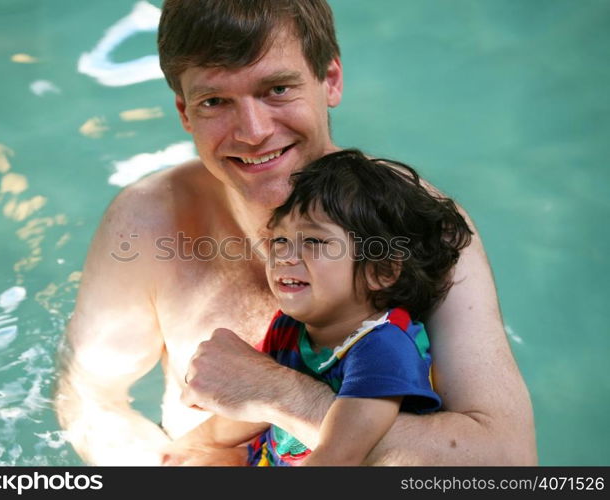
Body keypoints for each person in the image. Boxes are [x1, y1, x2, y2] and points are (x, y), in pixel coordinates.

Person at [55, 0, 537, 465]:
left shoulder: (415, 223)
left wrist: (276, 392)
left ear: (329, 79)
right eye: (215, 101)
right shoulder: (148, 224)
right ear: (184, 112)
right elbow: (92, 399)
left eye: (277, 90)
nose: (252, 131)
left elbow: (508, 463)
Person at [165, 149, 471, 466]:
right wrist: (184, 449)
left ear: (380, 271)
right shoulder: (289, 326)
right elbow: (253, 405)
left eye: (314, 241)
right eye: (280, 240)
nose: (284, 255)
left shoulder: (383, 347)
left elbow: (340, 457)